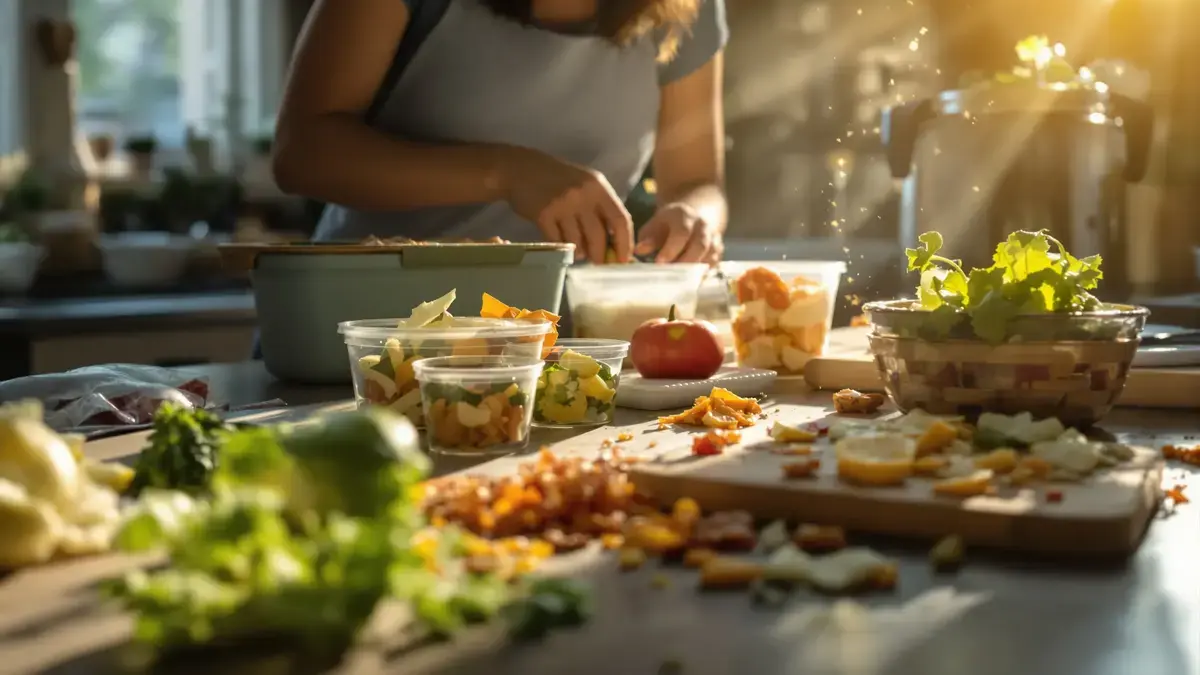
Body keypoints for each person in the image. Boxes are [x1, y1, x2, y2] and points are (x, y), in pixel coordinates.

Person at [272, 0, 729, 265]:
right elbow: (303, 152)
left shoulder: (686, 7)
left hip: (554, 345)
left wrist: (696, 217)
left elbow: (696, 181)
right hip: (364, 335)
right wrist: (506, 173)